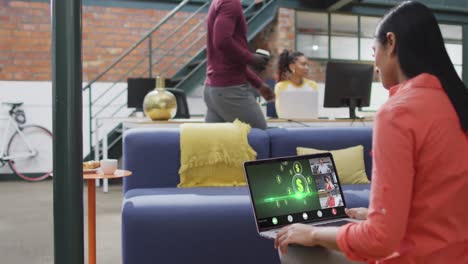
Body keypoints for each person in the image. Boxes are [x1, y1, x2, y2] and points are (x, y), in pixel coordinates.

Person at [274, 1, 468, 263]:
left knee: (294, 245)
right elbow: (442, 201)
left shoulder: (397, 113)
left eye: (373, 50)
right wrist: (384, 215)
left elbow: (379, 240)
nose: (374, 63)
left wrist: (314, 234)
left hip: (415, 257)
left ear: (391, 42)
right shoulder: (455, 103)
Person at [203, 0, 275, 130]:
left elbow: (229, 59)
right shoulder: (231, 3)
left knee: (218, 147)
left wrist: (258, 84)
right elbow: (222, 41)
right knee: (260, 138)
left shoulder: (219, 2)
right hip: (230, 91)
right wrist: (251, 58)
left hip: (213, 90)